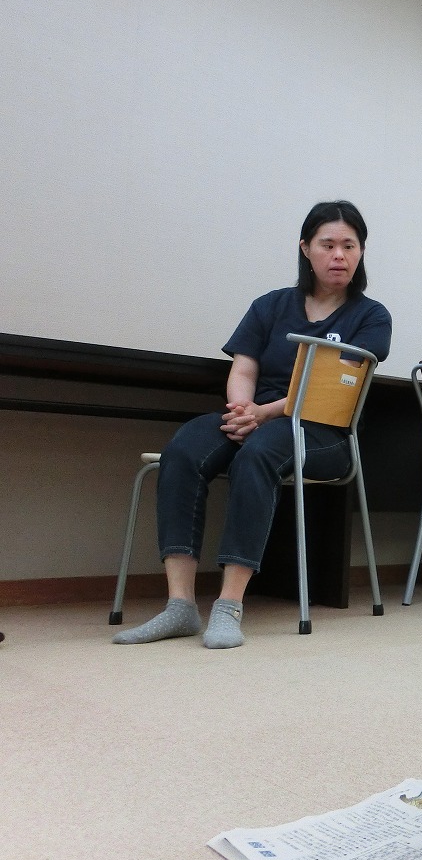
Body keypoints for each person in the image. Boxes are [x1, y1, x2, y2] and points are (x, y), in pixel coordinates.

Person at [113, 200, 392, 649]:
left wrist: (263, 416)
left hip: (323, 432)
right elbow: (244, 369)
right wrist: (243, 411)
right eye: (327, 244)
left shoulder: (371, 315)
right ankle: (180, 606)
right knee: (185, 447)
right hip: (257, 418)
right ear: (306, 249)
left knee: (261, 453)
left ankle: (229, 605)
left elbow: (335, 389)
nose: (338, 255)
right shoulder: (270, 305)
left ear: (361, 252)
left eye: (349, 245)